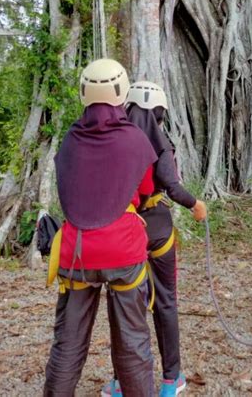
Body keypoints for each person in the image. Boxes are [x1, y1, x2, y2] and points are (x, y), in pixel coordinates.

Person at [44, 59, 157, 397]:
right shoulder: (135, 139)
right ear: (121, 92)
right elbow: (146, 191)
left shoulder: (71, 139)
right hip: (123, 251)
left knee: (68, 343)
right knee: (133, 341)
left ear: (83, 93)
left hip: (77, 253)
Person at [102, 81, 207, 397]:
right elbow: (171, 186)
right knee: (165, 301)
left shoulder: (113, 140)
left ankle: (122, 382)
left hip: (123, 229)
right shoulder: (162, 141)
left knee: (124, 304)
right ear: (159, 112)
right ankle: (170, 380)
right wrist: (196, 205)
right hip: (158, 229)